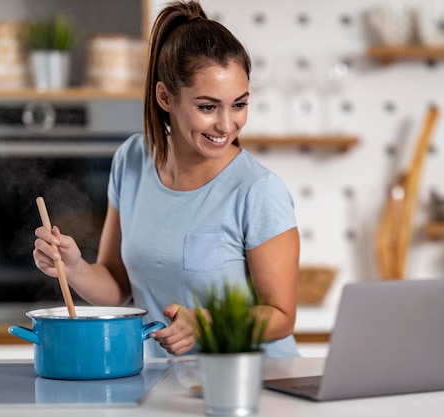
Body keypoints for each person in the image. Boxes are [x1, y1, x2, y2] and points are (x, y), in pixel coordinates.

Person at [32, 0, 300, 358]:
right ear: (165, 97)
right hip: (170, 383)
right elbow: (117, 286)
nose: (226, 124)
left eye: (239, 104)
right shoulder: (132, 159)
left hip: (253, 384)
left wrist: (208, 322)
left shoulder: (259, 190)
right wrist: (75, 267)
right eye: (208, 107)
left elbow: (281, 316)